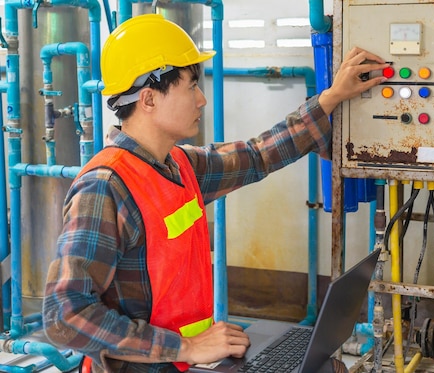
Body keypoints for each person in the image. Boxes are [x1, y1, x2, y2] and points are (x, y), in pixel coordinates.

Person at [42, 13, 388, 373]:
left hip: (181, 365)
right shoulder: (105, 186)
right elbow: (63, 315)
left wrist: (330, 98)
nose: (202, 99)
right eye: (191, 86)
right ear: (148, 99)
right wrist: (186, 346)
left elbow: (257, 155)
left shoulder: (178, 165)